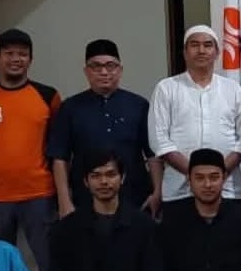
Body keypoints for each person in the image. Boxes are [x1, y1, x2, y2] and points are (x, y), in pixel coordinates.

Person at [0, 29, 60, 271]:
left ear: (31, 59)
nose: (16, 59)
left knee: (51, 266)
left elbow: (58, 147)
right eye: (9, 53)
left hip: (40, 194)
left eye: (22, 54)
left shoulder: (48, 96)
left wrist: (62, 192)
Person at [48, 40, 162, 217]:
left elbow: (152, 153)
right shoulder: (70, 108)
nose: (104, 72)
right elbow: (60, 157)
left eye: (110, 66)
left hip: (134, 198)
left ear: (120, 70)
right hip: (85, 199)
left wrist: (157, 192)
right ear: (86, 71)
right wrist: (64, 201)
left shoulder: (139, 105)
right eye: (96, 66)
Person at [149, 25, 241, 213]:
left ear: (217, 53)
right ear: (185, 52)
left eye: (207, 45)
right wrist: (194, 174)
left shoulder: (233, 89)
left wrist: (219, 174)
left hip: (228, 189)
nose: (201, 50)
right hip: (179, 191)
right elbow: (159, 140)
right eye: (194, 45)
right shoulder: (166, 88)